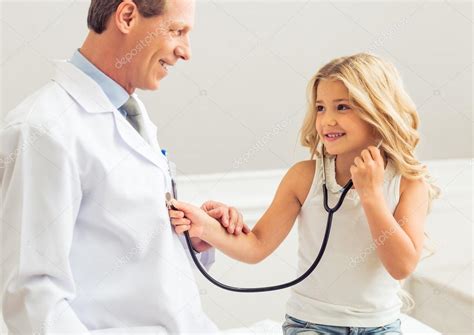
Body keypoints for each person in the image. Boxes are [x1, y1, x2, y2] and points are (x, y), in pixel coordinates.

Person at [0, 0, 249, 333]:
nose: (186, 52)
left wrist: (195, 238)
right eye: (177, 31)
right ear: (128, 16)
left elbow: (118, 246)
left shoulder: (130, 112)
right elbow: (32, 295)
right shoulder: (43, 129)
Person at [169, 53, 441, 334]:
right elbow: (256, 246)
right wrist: (206, 226)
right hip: (312, 324)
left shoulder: (408, 183)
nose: (327, 120)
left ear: (378, 112)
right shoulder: (304, 177)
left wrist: (371, 196)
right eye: (321, 108)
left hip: (380, 326)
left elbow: (402, 266)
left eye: (343, 107)